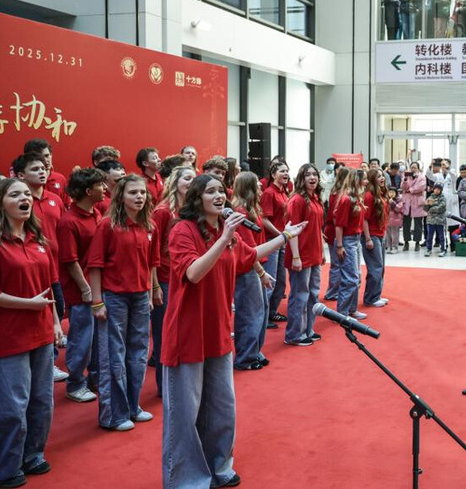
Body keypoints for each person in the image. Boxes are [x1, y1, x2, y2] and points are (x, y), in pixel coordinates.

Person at [160, 174, 306, 487]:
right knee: (185, 413)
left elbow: (250, 255)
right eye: (210, 191)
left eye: (221, 191)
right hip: (187, 333)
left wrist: (284, 237)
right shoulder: (182, 230)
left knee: (222, 406)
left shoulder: (225, 233)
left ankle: (220, 466)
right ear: (196, 198)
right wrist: (224, 238)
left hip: (219, 330)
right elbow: (194, 273)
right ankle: (186, 479)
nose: (219, 196)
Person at [0, 178, 63, 488]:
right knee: (10, 408)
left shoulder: (39, 239)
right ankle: (3, 468)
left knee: (42, 402)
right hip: (7, 338)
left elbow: (48, 290)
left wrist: (55, 321)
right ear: (0, 203)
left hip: (41, 332)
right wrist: (29, 305)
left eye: (26, 195)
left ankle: (32, 454)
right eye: (15, 194)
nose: (24, 198)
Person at [87, 174, 160, 431]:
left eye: (142, 192)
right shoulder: (107, 225)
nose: (139, 197)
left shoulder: (150, 226)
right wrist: (97, 301)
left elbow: (152, 263)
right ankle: (113, 414)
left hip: (140, 296)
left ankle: (132, 406)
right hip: (114, 297)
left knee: (138, 353)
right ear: (121, 196)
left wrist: (152, 292)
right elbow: (95, 265)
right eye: (133, 193)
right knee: (113, 355)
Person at [13, 152, 66, 382]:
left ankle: (48, 360)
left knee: (57, 312)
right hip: (29, 269)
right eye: (36, 169)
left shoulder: (55, 199)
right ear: (21, 175)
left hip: (54, 268)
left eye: (44, 167)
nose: (43, 171)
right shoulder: (20, 205)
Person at [57, 168, 106, 404]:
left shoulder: (97, 214)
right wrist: (85, 287)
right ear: (88, 191)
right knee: (82, 338)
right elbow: (69, 260)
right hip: (81, 289)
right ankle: (75, 383)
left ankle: (95, 379)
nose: (105, 188)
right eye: (100, 185)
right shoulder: (68, 221)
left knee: (98, 338)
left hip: (98, 286)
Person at [150, 166, 196, 397]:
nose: (191, 182)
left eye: (194, 179)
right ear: (175, 182)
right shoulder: (163, 212)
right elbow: (153, 251)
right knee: (164, 335)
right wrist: (155, 285)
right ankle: (164, 386)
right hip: (166, 279)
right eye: (187, 178)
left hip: (185, 278)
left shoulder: (191, 211)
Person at [231, 172, 275, 370]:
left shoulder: (250, 209)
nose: (261, 188)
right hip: (247, 269)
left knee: (261, 311)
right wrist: (261, 273)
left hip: (255, 266)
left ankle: (255, 351)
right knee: (251, 313)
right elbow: (248, 250)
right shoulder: (240, 211)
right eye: (257, 186)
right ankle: (245, 357)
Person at [283, 164, 325, 348]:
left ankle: (308, 329)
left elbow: (318, 229)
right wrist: (295, 257)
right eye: (308, 174)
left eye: (314, 174)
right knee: (300, 296)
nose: (312, 177)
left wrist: (322, 251)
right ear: (301, 178)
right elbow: (291, 230)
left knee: (313, 295)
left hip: (314, 254)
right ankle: (294, 334)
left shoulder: (315, 198)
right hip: (301, 255)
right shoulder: (297, 200)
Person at [332, 169, 367, 321]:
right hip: (348, 240)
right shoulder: (347, 200)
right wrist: (340, 246)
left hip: (355, 240)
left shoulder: (356, 198)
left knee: (356, 276)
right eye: (364, 179)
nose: (366, 182)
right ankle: (342, 312)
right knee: (350, 278)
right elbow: (339, 224)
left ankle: (351, 309)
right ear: (357, 181)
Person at [260, 162, 290, 327]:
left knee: (281, 281)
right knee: (270, 280)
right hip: (273, 240)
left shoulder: (284, 192)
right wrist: (280, 235)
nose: (285, 174)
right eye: (282, 171)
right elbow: (264, 219)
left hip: (282, 239)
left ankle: (272, 312)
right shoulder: (269, 193)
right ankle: (263, 317)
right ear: (273, 174)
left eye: (287, 171)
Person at [322, 167, 351, 303]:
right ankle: (332, 292)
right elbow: (335, 217)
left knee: (337, 264)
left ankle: (334, 291)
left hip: (333, 231)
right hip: (334, 232)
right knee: (337, 264)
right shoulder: (339, 194)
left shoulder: (337, 192)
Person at [362, 168, 389, 306]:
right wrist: (367, 238)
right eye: (379, 176)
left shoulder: (381, 193)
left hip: (380, 233)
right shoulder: (369, 195)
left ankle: (376, 295)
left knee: (380, 267)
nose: (382, 178)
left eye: (383, 175)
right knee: (375, 268)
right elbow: (364, 219)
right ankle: (370, 299)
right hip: (371, 234)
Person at [24, 138, 69, 207]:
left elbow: (66, 204)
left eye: (47, 155)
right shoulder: (23, 182)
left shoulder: (60, 179)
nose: (45, 160)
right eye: (40, 157)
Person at [401, 162, 426, 251]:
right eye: (412, 167)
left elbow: (421, 187)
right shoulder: (406, 176)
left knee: (418, 224)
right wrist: (404, 180)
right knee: (406, 224)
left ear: (418, 169)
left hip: (417, 202)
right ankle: (406, 242)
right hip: (407, 202)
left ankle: (417, 242)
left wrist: (410, 190)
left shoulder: (422, 177)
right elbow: (403, 187)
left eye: (415, 167)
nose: (413, 169)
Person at [423, 182, 447, 257]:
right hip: (430, 220)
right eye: (435, 189)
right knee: (429, 236)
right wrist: (427, 205)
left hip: (440, 220)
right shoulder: (430, 197)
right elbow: (425, 208)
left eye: (438, 189)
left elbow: (441, 208)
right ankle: (428, 249)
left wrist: (432, 207)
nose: (436, 190)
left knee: (441, 236)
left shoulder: (443, 198)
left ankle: (443, 249)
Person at [385, 187, 403, 254]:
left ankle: (395, 247)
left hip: (396, 220)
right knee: (388, 235)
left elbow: (398, 209)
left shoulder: (399, 200)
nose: (391, 194)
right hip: (387, 220)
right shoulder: (386, 199)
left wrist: (393, 203)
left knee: (395, 235)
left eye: (393, 192)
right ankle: (389, 247)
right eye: (390, 192)